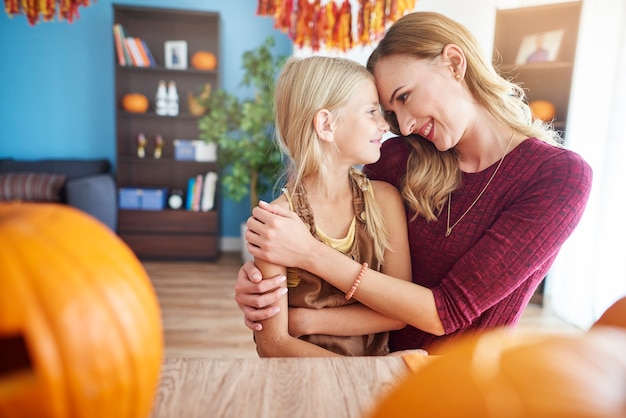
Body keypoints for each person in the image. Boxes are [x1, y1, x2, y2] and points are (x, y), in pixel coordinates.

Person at [236, 11, 593, 354]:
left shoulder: (557, 177)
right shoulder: (397, 159)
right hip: (367, 365)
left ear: (454, 63)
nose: (403, 126)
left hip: (455, 385)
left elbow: (447, 311)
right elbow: (349, 250)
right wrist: (263, 289)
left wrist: (308, 266)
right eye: (390, 111)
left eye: (405, 97)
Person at [252, 55, 412, 357]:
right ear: (326, 124)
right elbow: (273, 344)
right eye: (371, 112)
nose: (384, 125)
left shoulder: (385, 201)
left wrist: (307, 321)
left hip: (373, 387)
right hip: (305, 389)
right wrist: (365, 380)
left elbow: (399, 312)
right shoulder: (277, 221)